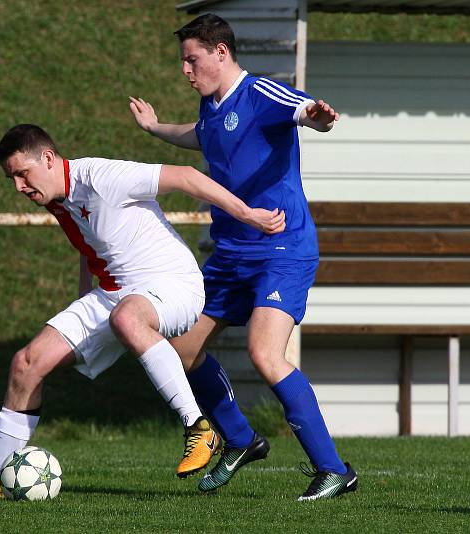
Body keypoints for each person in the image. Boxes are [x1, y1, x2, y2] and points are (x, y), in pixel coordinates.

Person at [0, 123, 286, 500]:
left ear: (47, 158)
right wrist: (81, 297)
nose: (18, 187)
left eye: (22, 174)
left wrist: (248, 215)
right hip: (114, 294)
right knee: (26, 364)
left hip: (173, 282)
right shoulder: (57, 197)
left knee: (127, 317)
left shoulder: (102, 177)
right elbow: (89, 239)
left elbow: (187, 177)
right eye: (11, 178)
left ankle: (199, 427)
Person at [129, 13, 358, 501]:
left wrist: (319, 118)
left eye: (192, 60)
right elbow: (202, 134)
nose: (186, 71)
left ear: (220, 52)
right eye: (183, 62)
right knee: (181, 350)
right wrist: (155, 129)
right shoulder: (210, 106)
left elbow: (303, 111)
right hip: (231, 253)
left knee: (264, 354)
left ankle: (334, 469)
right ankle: (240, 439)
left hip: (282, 248)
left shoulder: (262, 94)